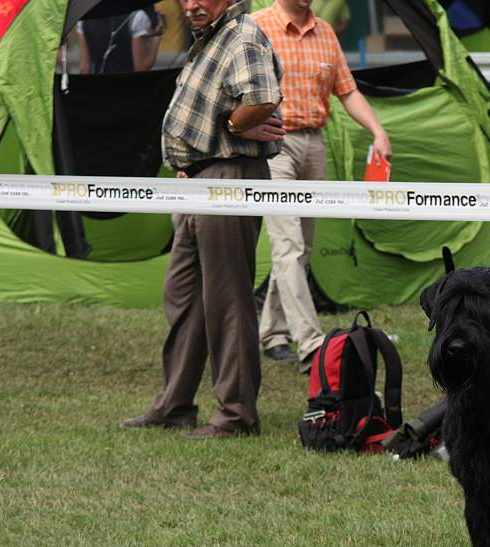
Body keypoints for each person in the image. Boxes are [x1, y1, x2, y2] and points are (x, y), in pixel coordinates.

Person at [120, 0, 284, 439]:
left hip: (228, 177)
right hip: (199, 177)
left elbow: (262, 97)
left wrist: (232, 125)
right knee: (184, 298)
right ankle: (175, 405)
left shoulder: (242, 35)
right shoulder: (211, 39)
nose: (191, 4)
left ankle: (236, 416)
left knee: (227, 301)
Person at [252, 0, 391, 372]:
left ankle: (271, 332)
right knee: (289, 245)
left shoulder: (325, 32)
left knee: (302, 246)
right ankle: (312, 344)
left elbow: (347, 91)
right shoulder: (256, 27)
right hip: (272, 146)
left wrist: (377, 131)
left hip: (314, 144)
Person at [78, 9, 165, 74]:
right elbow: (141, 67)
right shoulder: (137, 17)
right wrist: (156, 38)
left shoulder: (84, 18)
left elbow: (84, 68)